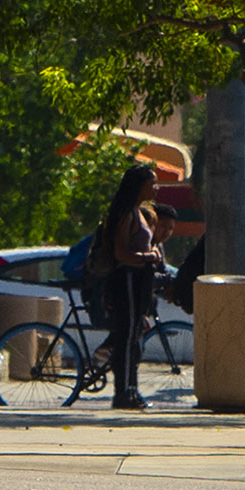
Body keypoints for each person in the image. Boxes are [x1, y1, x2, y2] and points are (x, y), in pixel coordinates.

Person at [89, 161, 167, 412]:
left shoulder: (139, 213)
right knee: (126, 337)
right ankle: (122, 392)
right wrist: (148, 257)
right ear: (139, 186)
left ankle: (132, 390)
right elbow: (120, 252)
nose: (155, 188)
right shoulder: (126, 214)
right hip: (127, 281)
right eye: (151, 184)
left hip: (139, 280)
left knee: (134, 336)